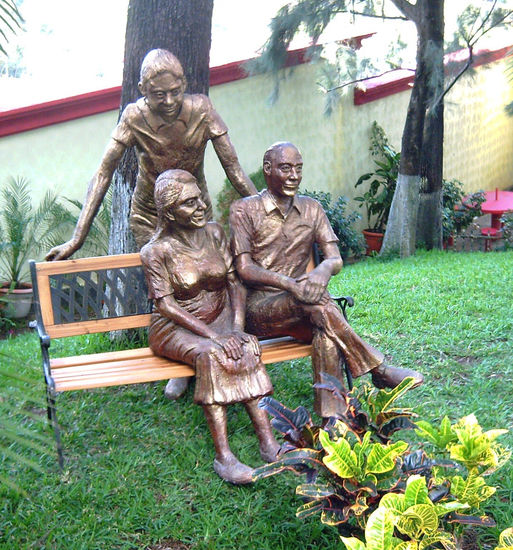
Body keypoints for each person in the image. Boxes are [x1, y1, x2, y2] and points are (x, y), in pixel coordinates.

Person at [229, 141, 423, 419]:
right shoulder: (244, 210)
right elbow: (244, 268)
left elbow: (335, 259)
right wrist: (290, 284)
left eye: (298, 168)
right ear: (267, 169)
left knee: (325, 330)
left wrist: (321, 271)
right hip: (259, 309)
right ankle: (378, 371)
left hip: (305, 306)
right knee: (319, 304)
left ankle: (333, 418)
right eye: (285, 168)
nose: (294, 175)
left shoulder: (312, 209)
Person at [139, 169, 279, 484]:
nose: (201, 206)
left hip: (220, 317)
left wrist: (238, 328)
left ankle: (269, 443)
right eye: (189, 203)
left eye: (200, 198)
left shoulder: (215, 233)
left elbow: (234, 282)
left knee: (244, 348)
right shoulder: (155, 251)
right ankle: (224, 456)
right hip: (174, 327)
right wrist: (216, 338)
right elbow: (166, 305)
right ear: (169, 212)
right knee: (211, 355)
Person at [46, 48, 256, 257]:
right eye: (159, 95)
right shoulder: (133, 118)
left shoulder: (202, 110)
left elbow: (233, 167)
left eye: (175, 91)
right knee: (163, 276)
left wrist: (264, 213)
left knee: (205, 275)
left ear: (184, 84)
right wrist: (77, 239)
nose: (169, 101)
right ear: (143, 90)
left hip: (196, 210)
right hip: (150, 217)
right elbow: (103, 174)